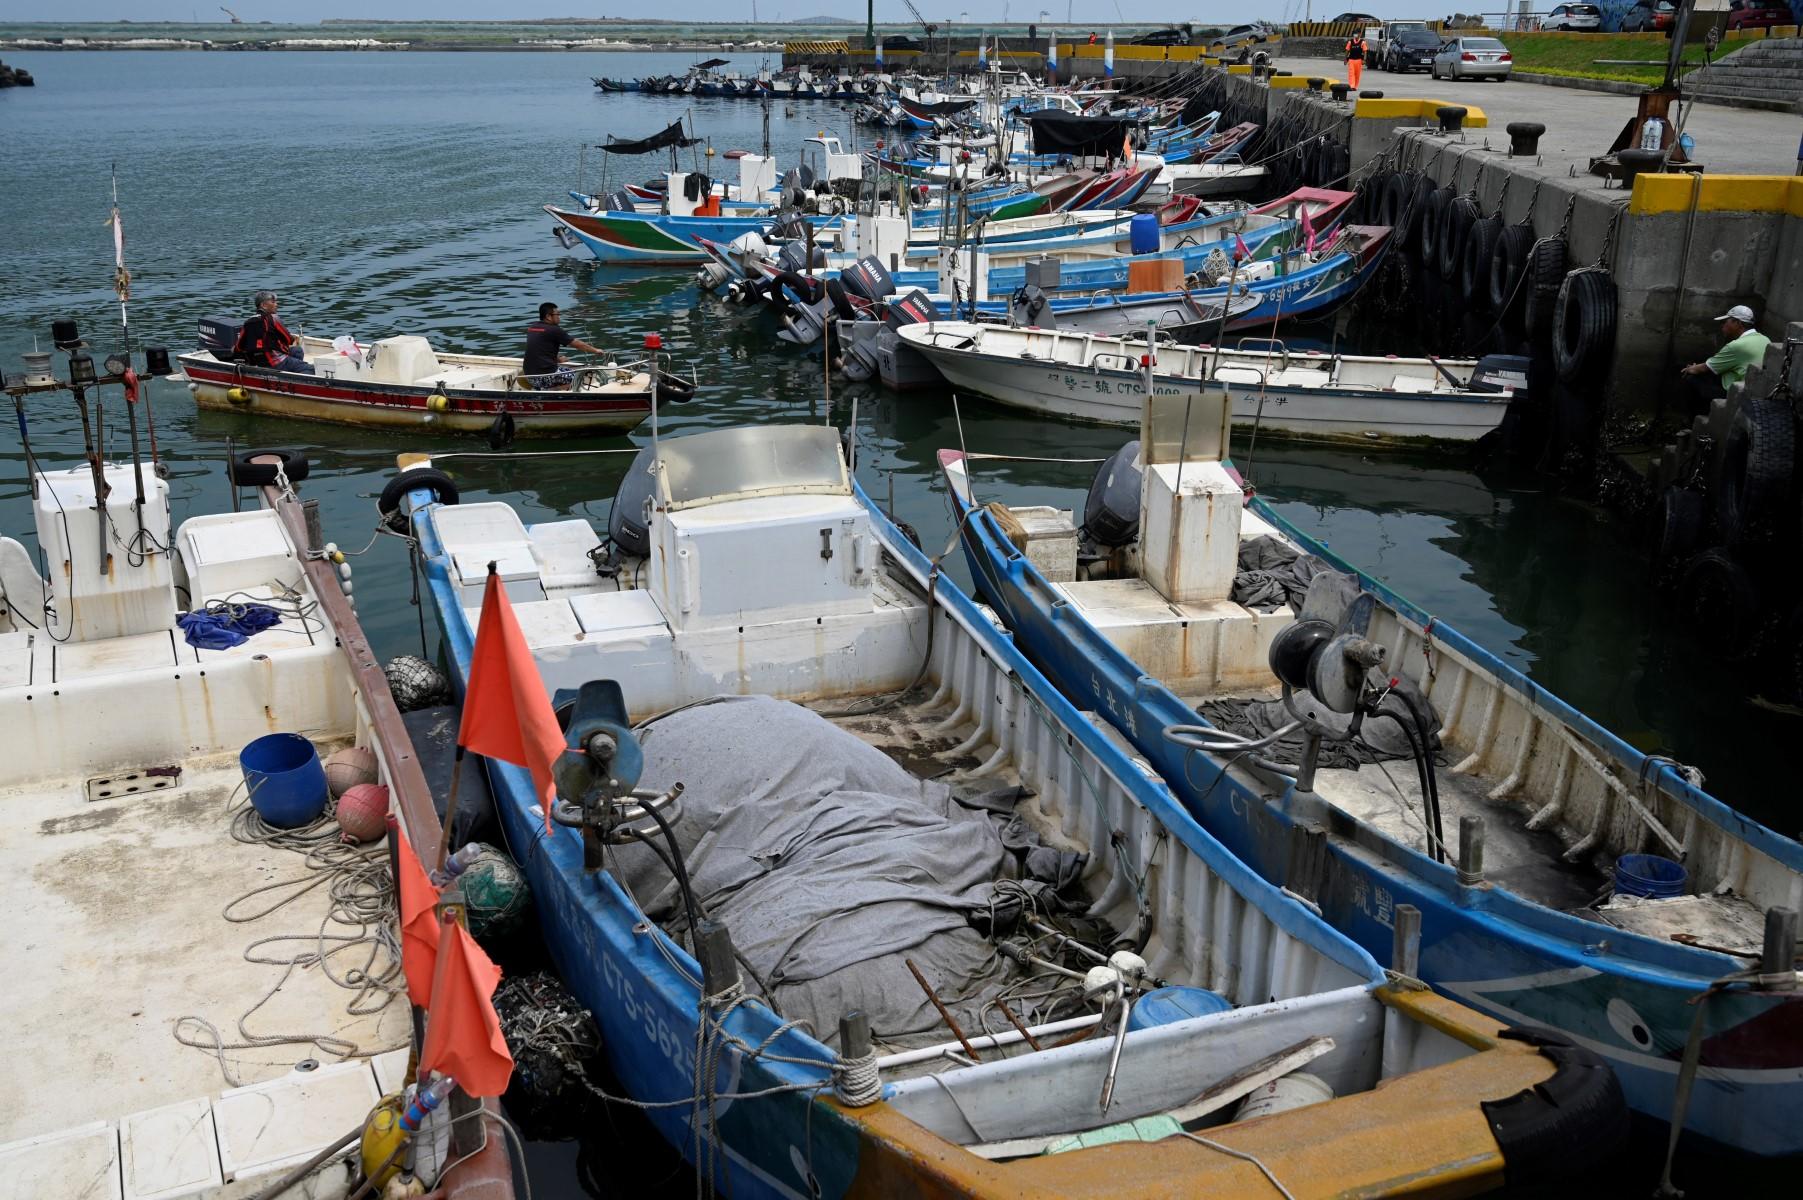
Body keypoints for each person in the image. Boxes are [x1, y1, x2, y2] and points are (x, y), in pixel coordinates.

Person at [1680, 304, 1771, 410]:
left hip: (1737, 393)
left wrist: (1691, 368)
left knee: (1690, 377)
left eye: (1725, 322)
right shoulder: (1766, 339)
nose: (1722, 325)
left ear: (1737, 323)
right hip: (1756, 390)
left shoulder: (1736, 346)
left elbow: (1705, 367)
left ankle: (1699, 416)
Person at [522, 302, 604, 390]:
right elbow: (576, 344)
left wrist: (557, 359)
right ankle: (548, 390)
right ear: (548, 316)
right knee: (580, 378)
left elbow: (539, 350)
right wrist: (596, 350)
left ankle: (545, 387)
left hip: (529, 376)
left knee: (569, 371)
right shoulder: (554, 329)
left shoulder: (532, 328)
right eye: (557, 314)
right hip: (544, 377)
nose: (559, 317)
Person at [233, 291, 312, 374]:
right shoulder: (273, 318)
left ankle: (289, 373)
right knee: (310, 369)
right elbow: (289, 340)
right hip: (276, 362)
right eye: (273, 302)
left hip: (257, 362)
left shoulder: (247, 322)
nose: (276, 304)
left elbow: (238, 346)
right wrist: (292, 338)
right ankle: (293, 378)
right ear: (264, 305)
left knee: (297, 350)